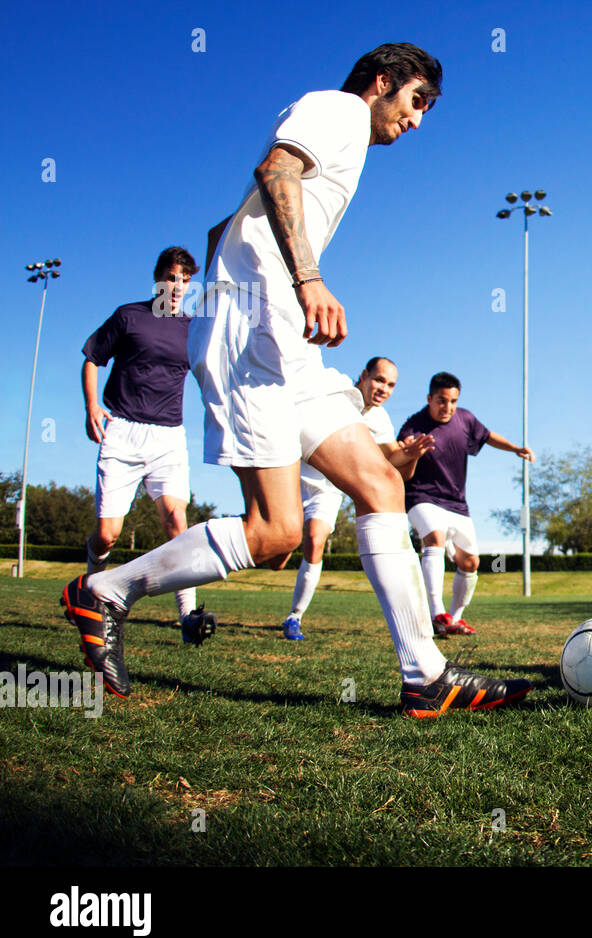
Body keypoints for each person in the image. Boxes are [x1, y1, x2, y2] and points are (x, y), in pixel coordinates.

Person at [61, 43, 531, 716]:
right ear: (381, 83)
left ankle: (426, 676)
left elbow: (225, 224)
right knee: (276, 530)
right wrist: (305, 279)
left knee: (381, 479)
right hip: (251, 333)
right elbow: (275, 168)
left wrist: (267, 279)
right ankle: (106, 591)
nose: (419, 120)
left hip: (281, 336)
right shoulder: (337, 109)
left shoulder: (345, 139)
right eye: (417, 100)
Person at [80, 246, 215, 643]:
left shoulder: (193, 328)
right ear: (158, 277)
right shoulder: (129, 316)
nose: (177, 287)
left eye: (186, 281)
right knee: (107, 535)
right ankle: (89, 592)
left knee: (177, 522)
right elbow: (92, 357)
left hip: (169, 437)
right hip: (121, 431)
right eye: (172, 277)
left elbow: (211, 376)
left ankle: (188, 617)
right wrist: (92, 405)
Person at [282, 356, 434, 640]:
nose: (384, 389)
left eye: (391, 385)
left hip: (326, 488)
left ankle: (294, 617)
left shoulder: (379, 419)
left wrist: (412, 453)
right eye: (379, 380)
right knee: (275, 551)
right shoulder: (335, 390)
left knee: (315, 540)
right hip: (292, 475)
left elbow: (391, 457)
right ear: (363, 375)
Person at [398, 372, 533, 635]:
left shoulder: (465, 419)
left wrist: (515, 448)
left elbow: (487, 435)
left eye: (453, 401)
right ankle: (436, 613)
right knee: (434, 537)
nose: (447, 407)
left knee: (470, 563)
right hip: (421, 497)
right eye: (441, 400)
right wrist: (411, 452)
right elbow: (401, 464)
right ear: (429, 398)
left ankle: (454, 619)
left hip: (456, 503)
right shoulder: (413, 426)